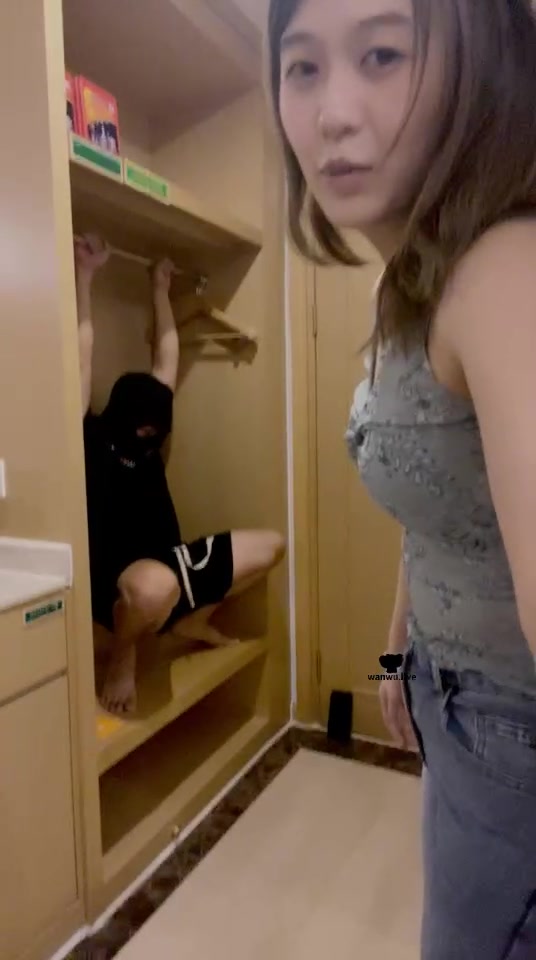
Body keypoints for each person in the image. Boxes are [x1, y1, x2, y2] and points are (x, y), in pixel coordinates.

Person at [268, 0, 536, 957]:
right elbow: (436, 505)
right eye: (302, 68)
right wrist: (399, 660)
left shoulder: (501, 270)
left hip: (511, 733)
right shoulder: (408, 282)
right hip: (448, 695)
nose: (333, 113)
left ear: (478, 66)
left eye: (382, 54)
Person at [75, 235, 285, 717]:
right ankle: (123, 655)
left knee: (271, 545)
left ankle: (190, 620)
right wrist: (85, 275)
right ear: (123, 414)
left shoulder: (151, 434)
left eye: (157, 428)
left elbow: (166, 361)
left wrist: (160, 287)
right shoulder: (91, 435)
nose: (152, 435)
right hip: (118, 582)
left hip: (169, 564)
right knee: (156, 587)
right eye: (144, 427)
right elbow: (82, 356)